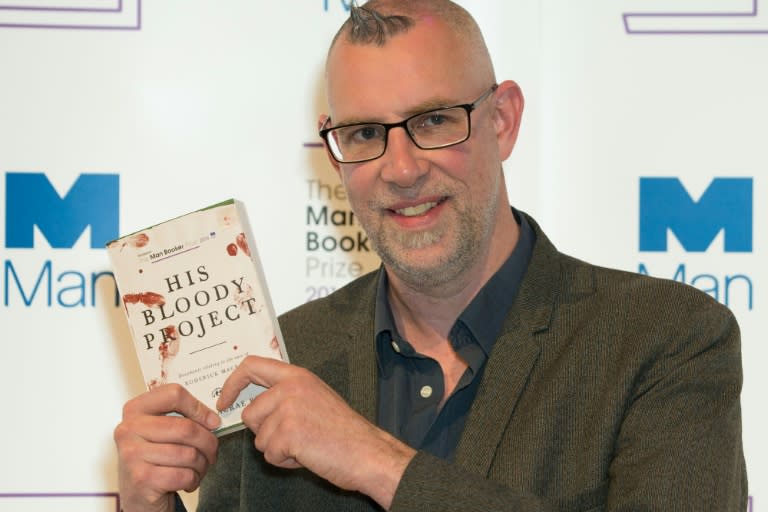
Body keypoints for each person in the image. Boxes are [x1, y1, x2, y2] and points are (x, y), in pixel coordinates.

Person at [113, 1, 748, 510]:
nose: (401, 167)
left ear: (502, 121)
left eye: (434, 121)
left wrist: (374, 461)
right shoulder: (278, 359)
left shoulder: (665, 339)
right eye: (364, 133)